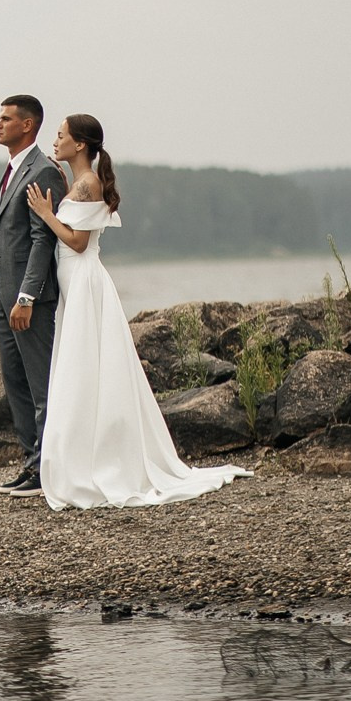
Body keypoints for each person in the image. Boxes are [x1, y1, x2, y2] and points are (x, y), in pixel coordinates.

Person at [23, 114, 249, 509]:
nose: (54, 141)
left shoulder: (88, 183)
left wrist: (46, 214)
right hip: (74, 284)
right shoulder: (78, 182)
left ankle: (93, 457)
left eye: (60, 136)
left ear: (79, 145)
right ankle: (81, 452)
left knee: (85, 364)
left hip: (85, 281)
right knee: (82, 364)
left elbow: (77, 242)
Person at [0, 95, 67, 498]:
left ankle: (49, 468)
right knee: (16, 384)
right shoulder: (13, 169)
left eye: (6, 118)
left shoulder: (42, 170)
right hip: (4, 298)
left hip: (30, 302)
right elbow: (3, 238)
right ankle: (32, 463)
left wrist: (27, 296)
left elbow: (41, 239)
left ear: (27, 125)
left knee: (41, 385)